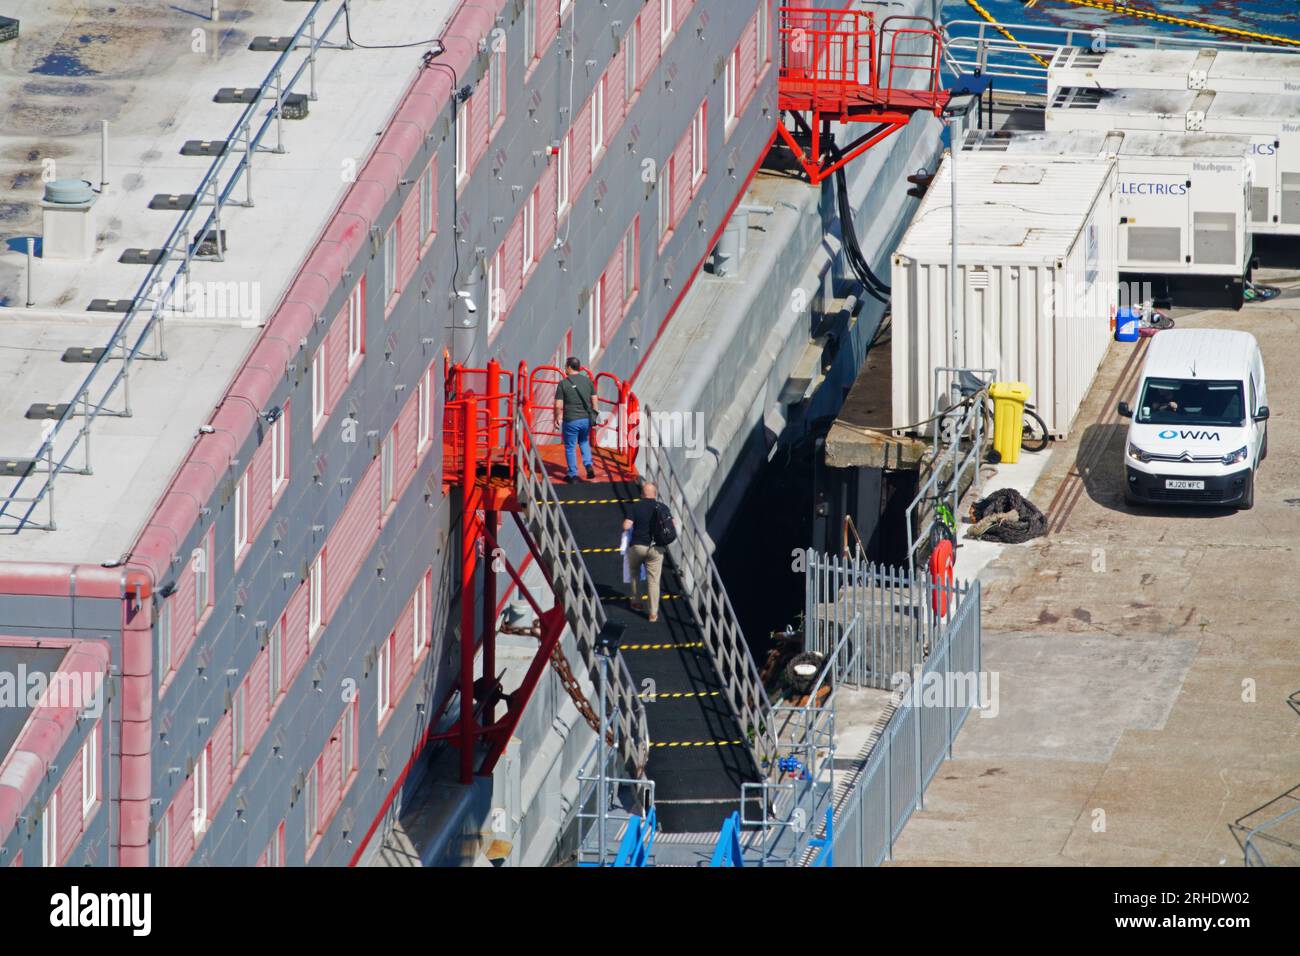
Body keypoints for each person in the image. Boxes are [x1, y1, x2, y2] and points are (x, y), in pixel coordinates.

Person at [623, 481, 666, 623]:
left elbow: (626, 525)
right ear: (655, 494)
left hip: (638, 546)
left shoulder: (635, 506)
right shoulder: (662, 507)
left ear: (642, 494)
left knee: (634, 572)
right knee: (653, 581)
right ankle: (653, 613)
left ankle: (636, 601)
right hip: (656, 548)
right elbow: (673, 523)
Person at [553, 357, 598, 483]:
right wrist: (594, 415)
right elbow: (594, 399)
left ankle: (573, 475)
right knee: (584, 442)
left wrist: (557, 417)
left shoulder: (563, 383)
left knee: (570, 446)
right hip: (585, 420)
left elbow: (558, 405)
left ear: (568, 367)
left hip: (571, 420)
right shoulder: (588, 381)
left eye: (565, 366)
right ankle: (588, 465)